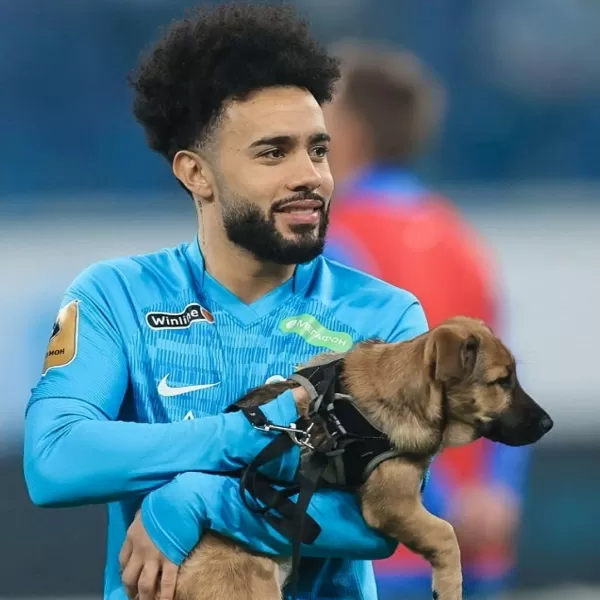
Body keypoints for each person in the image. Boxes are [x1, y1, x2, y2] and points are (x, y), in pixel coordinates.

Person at [23, 6, 430, 600]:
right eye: (273, 153)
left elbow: (381, 519)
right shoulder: (115, 297)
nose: (310, 175)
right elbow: (55, 459)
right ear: (197, 174)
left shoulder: (383, 317)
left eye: (318, 150)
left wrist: (201, 498)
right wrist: (242, 437)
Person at [322, 41, 531, 599]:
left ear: (350, 133)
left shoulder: (334, 246)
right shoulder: (461, 239)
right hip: (473, 555)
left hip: (384, 553)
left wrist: (437, 504)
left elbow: (368, 399)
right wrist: (494, 497)